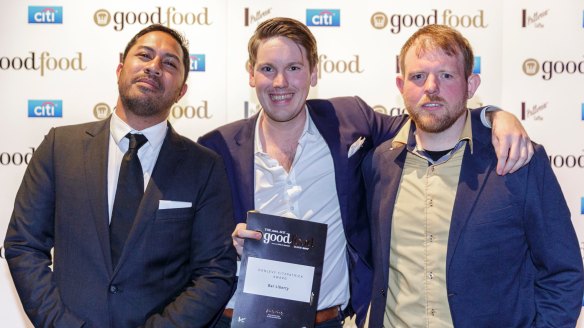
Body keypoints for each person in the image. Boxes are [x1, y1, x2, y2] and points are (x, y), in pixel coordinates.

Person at [198, 17, 534, 327]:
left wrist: (491, 116)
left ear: (314, 74)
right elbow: (200, 250)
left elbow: (429, 118)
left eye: (294, 67)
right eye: (268, 68)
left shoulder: (348, 119)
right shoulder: (218, 147)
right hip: (242, 321)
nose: (280, 82)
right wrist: (230, 243)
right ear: (251, 73)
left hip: (327, 320)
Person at [4, 24, 237, 328]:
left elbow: (215, 271)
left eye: (169, 63)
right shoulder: (60, 147)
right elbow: (24, 244)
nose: (154, 67)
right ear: (119, 70)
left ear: (181, 91)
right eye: (145, 55)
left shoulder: (203, 167)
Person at [363, 24, 584, 327]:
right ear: (401, 85)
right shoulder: (380, 163)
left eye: (446, 75)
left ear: (471, 85)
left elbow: (563, 273)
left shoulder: (519, 159)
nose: (431, 87)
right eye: (418, 76)